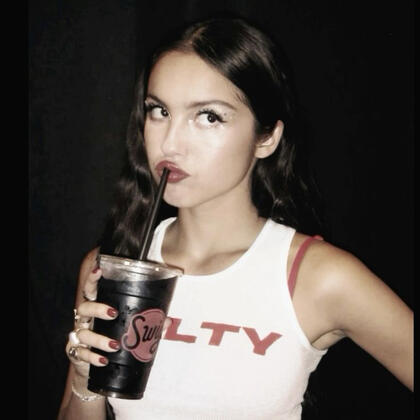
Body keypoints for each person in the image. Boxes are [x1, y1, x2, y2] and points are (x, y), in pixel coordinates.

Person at [57, 16, 413, 420]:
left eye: (208, 116)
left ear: (267, 138)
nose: (170, 143)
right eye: (159, 111)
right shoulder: (110, 268)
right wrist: (86, 379)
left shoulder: (315, 276)